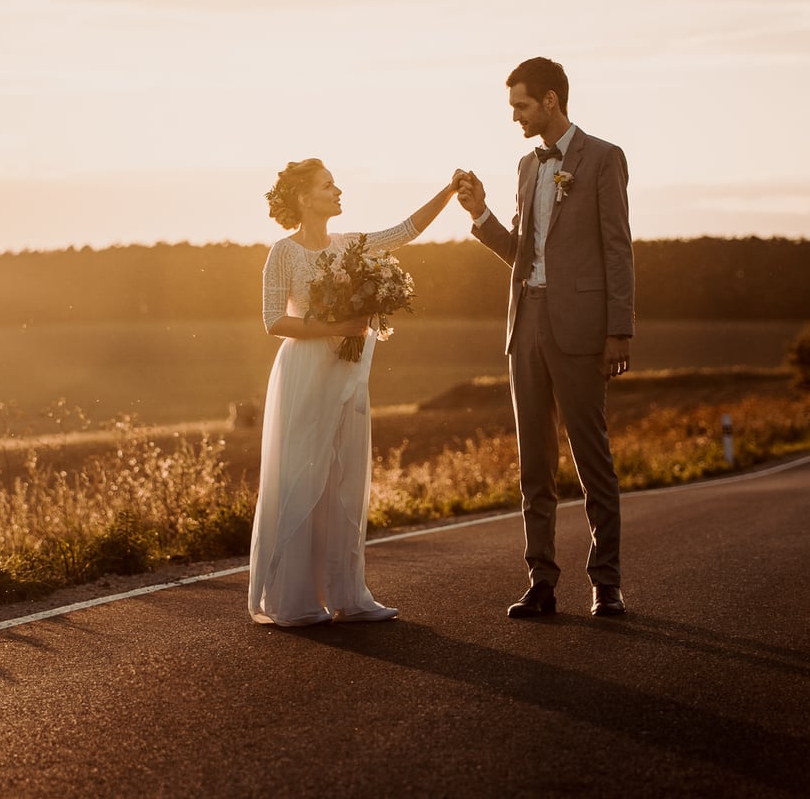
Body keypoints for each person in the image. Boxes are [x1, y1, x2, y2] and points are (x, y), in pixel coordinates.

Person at [455, 57, 635, 619]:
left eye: (522, 106)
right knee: (535, 462)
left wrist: (618, 331)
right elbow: (521, 254)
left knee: (591, 458)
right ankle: (542, 582)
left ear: (551, 101)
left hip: (581, 330)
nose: (515, 118)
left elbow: (617, 249)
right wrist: (480, 212)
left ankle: (606, 584)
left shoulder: (604, 158)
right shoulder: (526, 168)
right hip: (525, 323)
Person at [248, 159, 459, 626]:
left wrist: (448, 193)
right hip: (304, 373)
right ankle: (295, 599)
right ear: (304, 198)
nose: (338, 190)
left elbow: (405, 231)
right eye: (328, 185)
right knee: (302, 477)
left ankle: (348, 594)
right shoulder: (283, 251)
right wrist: (338, 325)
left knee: (345, 477)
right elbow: (272, 321)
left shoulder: (351, 247)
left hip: (347, 374)